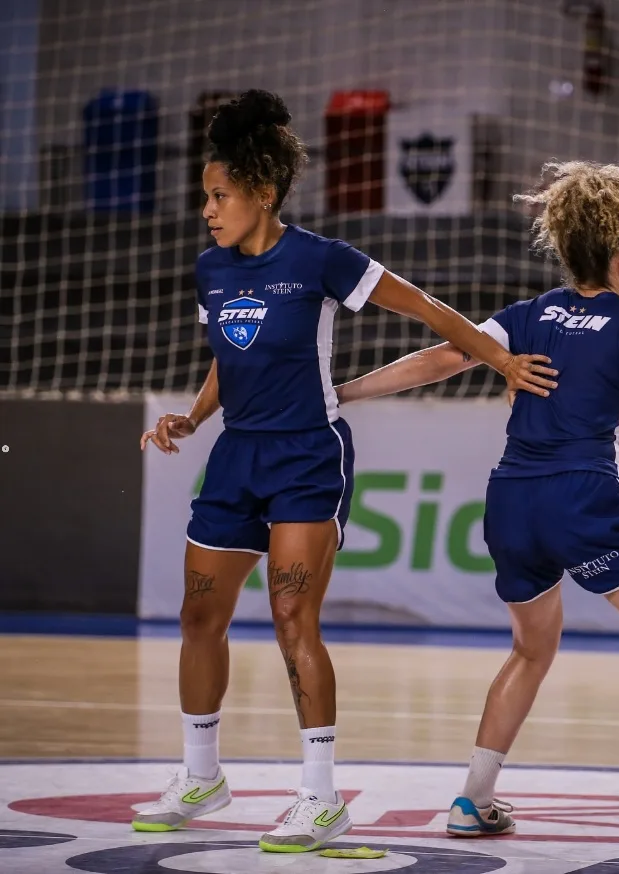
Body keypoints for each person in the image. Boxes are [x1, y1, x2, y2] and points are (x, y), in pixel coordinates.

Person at [134, 89, 557, 854]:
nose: (208, 209)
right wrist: (192, 420)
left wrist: (499, 359)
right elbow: (227, 360)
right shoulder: (211, 269)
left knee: (294, 619)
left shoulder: (322, 260)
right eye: (205, 197)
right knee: (200, 616)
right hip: (236, 456)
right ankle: (201, 774)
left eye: (220, 195)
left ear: (263, 192)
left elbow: (428, 308)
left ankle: (320, 796)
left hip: (306, 453)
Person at [335, 161, 619, 860]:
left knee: (530, 648)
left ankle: (474, 799)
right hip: (583, 497)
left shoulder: (529, 314)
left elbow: (440, 360)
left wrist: (344, 394)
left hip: (509, 503)